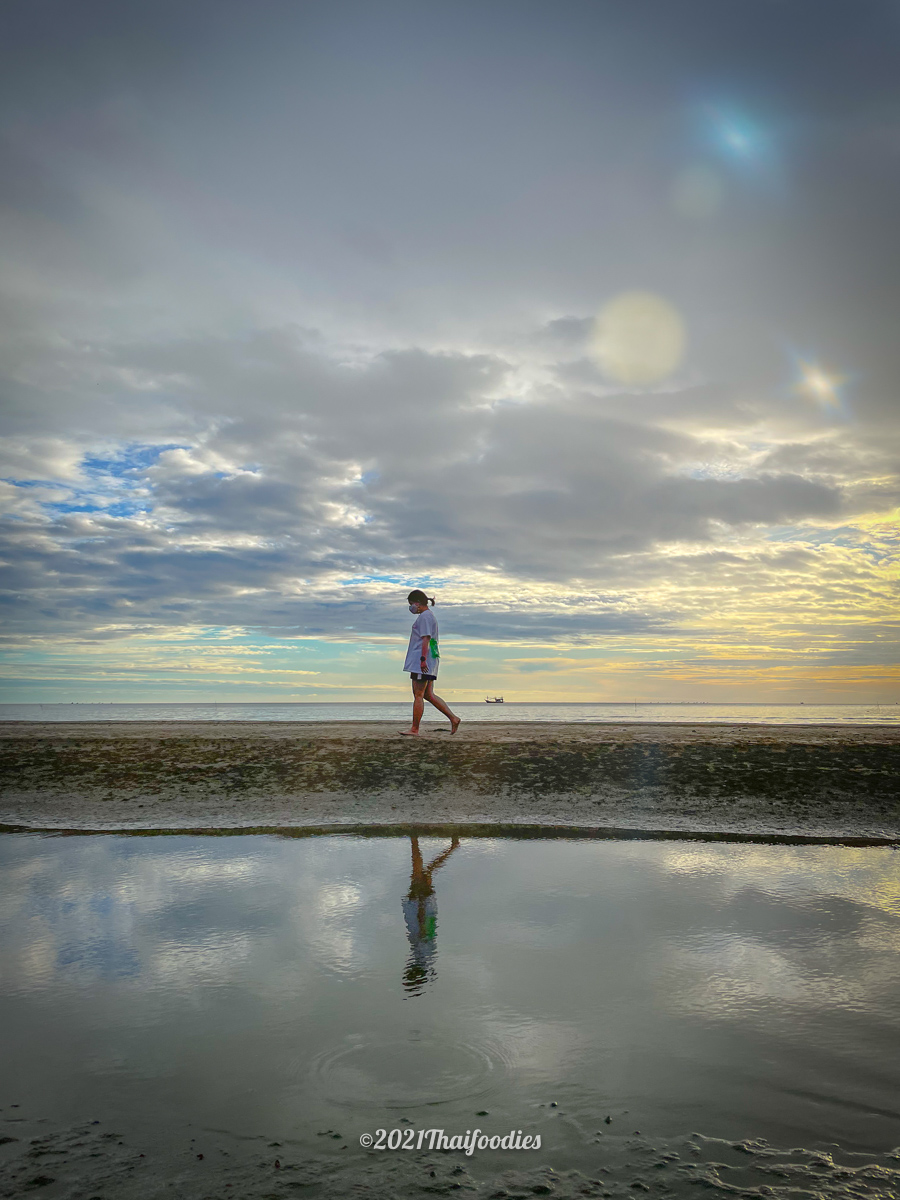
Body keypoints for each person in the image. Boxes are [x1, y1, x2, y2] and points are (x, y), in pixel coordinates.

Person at [400, 589, 460, 736]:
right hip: (429, 660)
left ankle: (414, 729)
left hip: (422, 661)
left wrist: (422, 660)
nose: (410, 607)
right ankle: (453, 718)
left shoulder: (425, 617)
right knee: (428, 694)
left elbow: (426, 638)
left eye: (411, 604)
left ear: (417, 603)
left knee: (418, 694)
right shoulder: (427, 616)